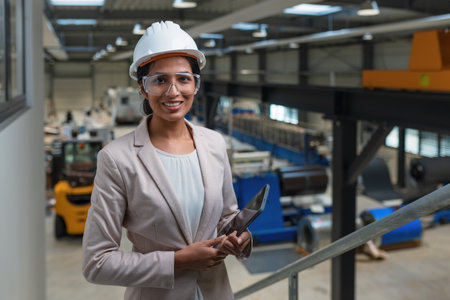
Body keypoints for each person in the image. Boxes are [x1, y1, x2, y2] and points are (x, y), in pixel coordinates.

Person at [82, 21, 252, 300]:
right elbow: (96, 263)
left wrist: (239, 237)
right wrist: (177, 262)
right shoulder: (117, 159)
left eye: (184, 79)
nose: (173, 92)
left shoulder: (214, 143)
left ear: (195, 85)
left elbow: (225, 217)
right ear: (143, 88)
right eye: (160, 80)